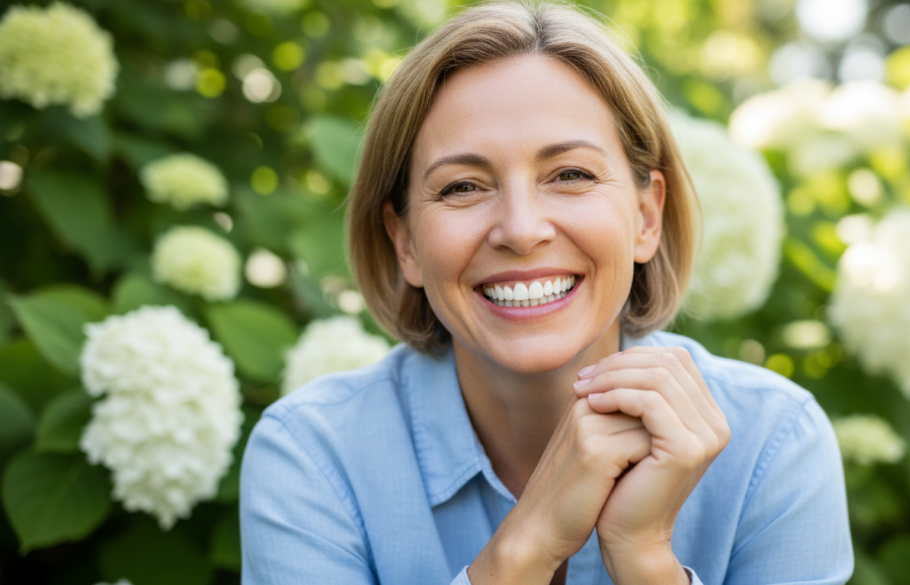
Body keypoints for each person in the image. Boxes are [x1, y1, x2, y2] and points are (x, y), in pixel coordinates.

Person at [239, 2, 854, 583]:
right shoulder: (314, 458)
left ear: (645, 218)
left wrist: (644, 560)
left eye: (571, 175)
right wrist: (528, 545)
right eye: (462, 187)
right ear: (405, 244)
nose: (522, 230)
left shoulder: (774, 444)